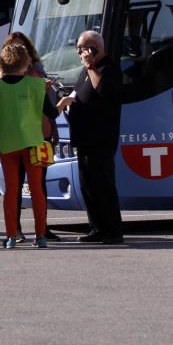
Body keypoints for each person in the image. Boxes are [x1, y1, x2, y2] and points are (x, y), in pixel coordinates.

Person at [0, 43, 57, 248]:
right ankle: (40, 235)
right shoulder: (35, 85)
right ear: (25, 62)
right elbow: (52, 113)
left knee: (11, 190)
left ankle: (10, 236)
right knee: (37, 190)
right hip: (33, 141)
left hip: (8, 142)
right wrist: (61, 101)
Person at [57, 31, 124, 244]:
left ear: (93, 48)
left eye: (81, 49)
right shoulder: (87, 70)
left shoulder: (108, 68)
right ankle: (97, 227)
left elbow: (102, 90)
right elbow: (82, 92)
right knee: (89, 185)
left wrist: (90, 66)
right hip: (84, 137)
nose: (79, 54)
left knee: (103, 184)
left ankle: (113, 230)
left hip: (101, 138)